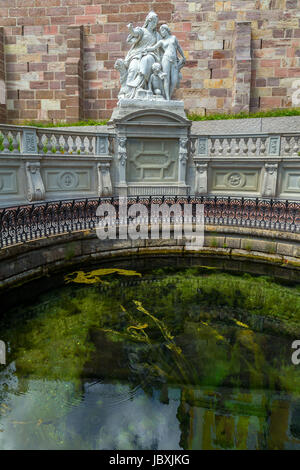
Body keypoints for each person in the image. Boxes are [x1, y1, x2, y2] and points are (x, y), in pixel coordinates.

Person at [122, 11, 162, 98]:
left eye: (156, 22)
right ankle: (128, 93)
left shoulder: (156, 35)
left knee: (146, 60)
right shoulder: (142, 31)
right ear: (148, 21)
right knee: (133, 68)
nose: (154, 24)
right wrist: (131, 29)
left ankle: (140, 86)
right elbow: (134, 33)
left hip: (150, 55)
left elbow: (161, 47)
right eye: (153, 21)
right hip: (136, 55)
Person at [146, 24, 186, 100]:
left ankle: (169, 96)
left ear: (166, 30)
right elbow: (153, 48)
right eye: (161, 31)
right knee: (166, 79)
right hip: (166, 59)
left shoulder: (173, 38)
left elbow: (179, 47)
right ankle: (167, 98)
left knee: (174, 80)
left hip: (174, 61)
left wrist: (183, 56)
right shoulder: (161, 41)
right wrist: (146, 48)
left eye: (163, 30)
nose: (162, 33)